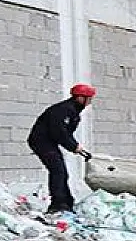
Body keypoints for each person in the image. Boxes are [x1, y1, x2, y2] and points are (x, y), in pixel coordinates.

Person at [27, 83, 96, 214]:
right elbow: (59, 132)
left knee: (61, 171)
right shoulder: (64, 110)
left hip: (50, 142)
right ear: (80, 98)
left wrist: (75, 146)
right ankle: (57, 205)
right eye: (89, 98)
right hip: (41, 141)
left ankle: (66, 201)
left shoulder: (74, 112)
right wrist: (73, 146)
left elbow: (65, 133)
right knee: (58, 171)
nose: (90, 102)